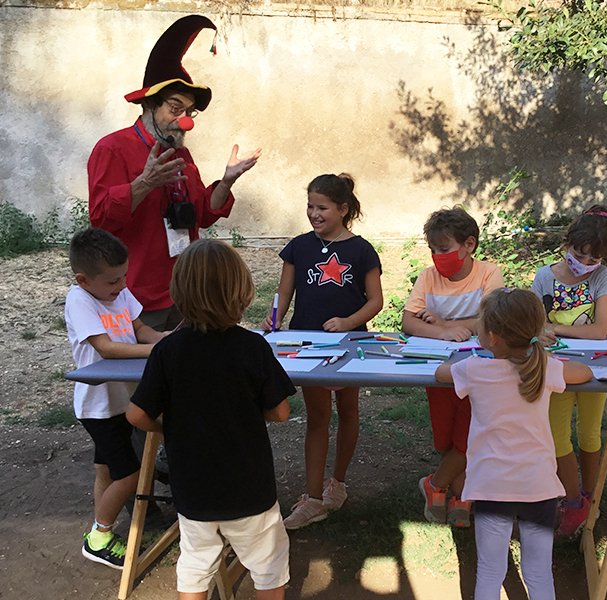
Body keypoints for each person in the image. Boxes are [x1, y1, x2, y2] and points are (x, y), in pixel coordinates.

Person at [127, 239, 295, 600]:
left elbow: (136, 414)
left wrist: (167, 428)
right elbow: (281, 411)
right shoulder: (252, 347)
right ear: (242, 292)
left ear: (178, 291)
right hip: (249, 487)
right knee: (268, 568)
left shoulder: (167, 351)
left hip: (193, 488)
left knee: (194, 566)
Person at [88, 15, 260, 331]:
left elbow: (202, 214)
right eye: (175, 108)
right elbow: (101, 219)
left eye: (189, 112)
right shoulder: (112, 148)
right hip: (137, 296)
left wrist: (227, 181)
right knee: (144, 364)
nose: (185, 121)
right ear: (150, 105)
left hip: (185, 293)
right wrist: (144, 183)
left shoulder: (181, 153)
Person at [435, 288, 592, 599]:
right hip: (538, 484)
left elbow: (441, 373)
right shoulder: (545, 366)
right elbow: (584, 372)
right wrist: (547, 357)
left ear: (492, 337)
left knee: (490, 571)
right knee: (539, 572)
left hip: (491, 485)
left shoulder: (473, 369)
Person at [261, 173, 383, 530]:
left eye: (322, 208)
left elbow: (375, 301)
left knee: (348, 410)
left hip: (350, 344)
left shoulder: (362, 250)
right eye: (310, 206)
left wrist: (348, 322)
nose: (314, 213)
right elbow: (283, 293)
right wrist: (274, 318)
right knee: (317, 417)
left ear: (343, 209)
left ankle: (337, 484)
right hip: (307, 344)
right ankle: (313, 498)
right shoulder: (298, 247)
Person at [65, 227, 166, 569]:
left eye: (124, 276)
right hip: (98, 407)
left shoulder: (117, 291)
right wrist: (155, 351)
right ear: (83, 280)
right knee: (131, 475)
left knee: (106, 470)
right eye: (113, 281)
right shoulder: (80, 300)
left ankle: (102, 530)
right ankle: (99, 537)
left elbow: (141, 329)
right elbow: (106, 348)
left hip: (122, 400)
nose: (122, 285)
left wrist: (165, 339)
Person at [402, 207, 504, 527]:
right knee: (446, 437)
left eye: (444, 249)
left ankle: (439, 486)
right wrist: (441, 332)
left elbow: (492, 320)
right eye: (432, 250)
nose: (437, 257)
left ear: (469, 244)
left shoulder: (489, 273)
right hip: (439, 371)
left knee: (470, 435)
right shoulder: (428, 277)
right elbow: (408, 322)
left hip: (481, 371)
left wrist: (445, 323)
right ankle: (459, 491)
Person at [531, 204, 607, 537]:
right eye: (579, 255)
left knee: (590, 432)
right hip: (556, 368)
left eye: (594, 259)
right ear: (567, 244)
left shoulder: (603, 276)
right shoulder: (544, 276)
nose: (585, 264)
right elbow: (536, 325)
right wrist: (541, 330)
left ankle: (589, 498)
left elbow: (600, 331)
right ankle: (571, 497)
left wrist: (555, 328)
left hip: (594, 366)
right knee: (556, 435)